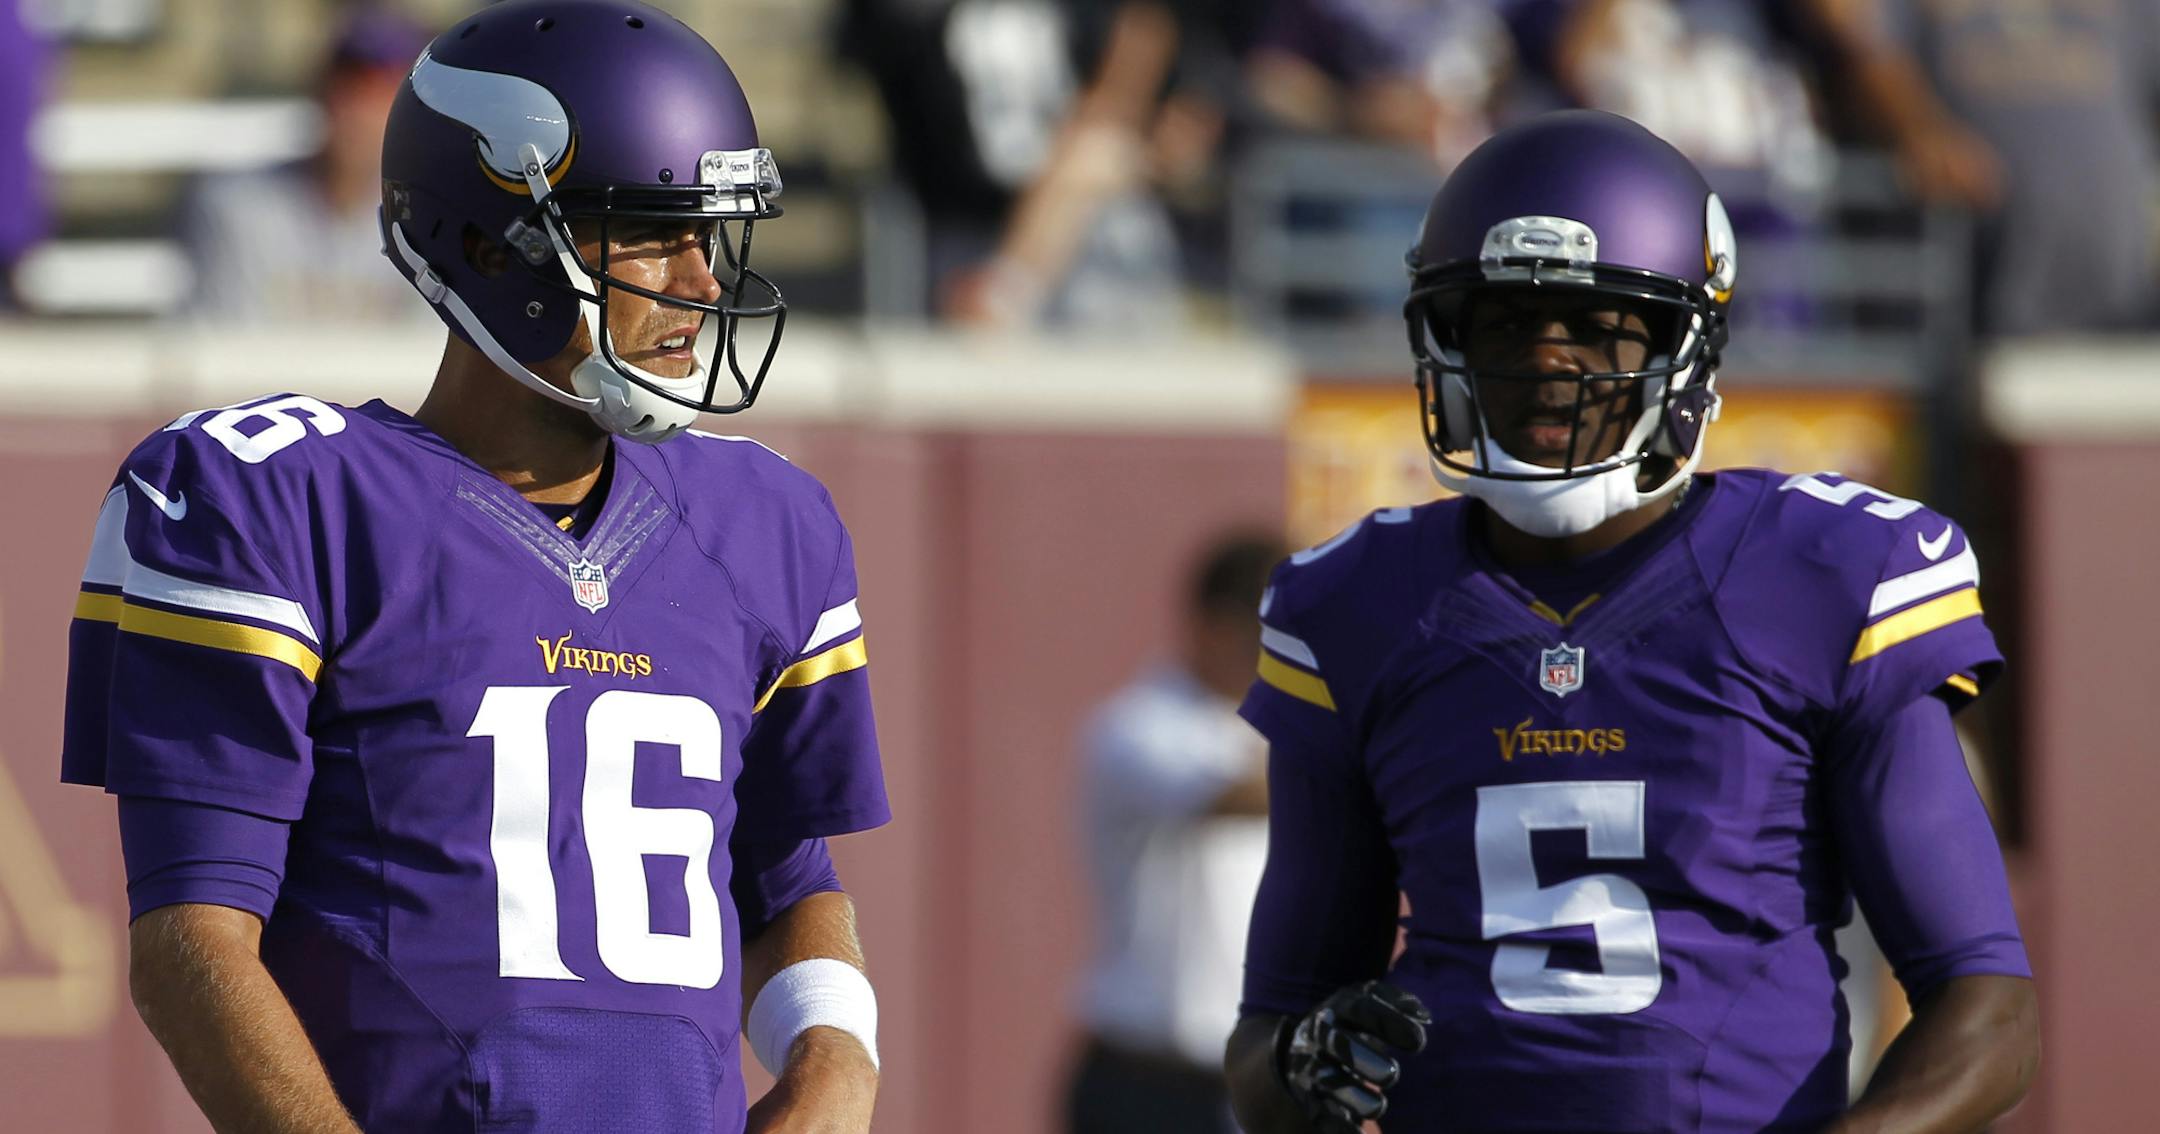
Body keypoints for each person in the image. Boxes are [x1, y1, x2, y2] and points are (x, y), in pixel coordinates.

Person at [59, 4, 888, 1132]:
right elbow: (189, 943)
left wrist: (834, 1065)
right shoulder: (277, 500)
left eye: (708, 231)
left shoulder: (763, 520)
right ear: (495, 247)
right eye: (650, 230)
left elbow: (786, 879)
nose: (700, 280)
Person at [1222, 110, 2039, 1133]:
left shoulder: (1824, 576)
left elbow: (1987, 1008)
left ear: (1686, 345)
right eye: (1505, 322)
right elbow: (1265, 1048)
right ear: (1446, 341)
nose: (1549, 362)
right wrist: (1308, 1066)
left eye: (1597, 323)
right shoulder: (1355, 604)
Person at [1068, 531, 1285, 1134]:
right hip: (1146, 1082)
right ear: (1217, 626)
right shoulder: (1138, 726)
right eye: (1272, 637)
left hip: (1256, 1078)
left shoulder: (1278, 733)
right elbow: (1236, 796)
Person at [178, 7, 438, 323]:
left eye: (382, 94)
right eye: (350, 89)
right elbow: (225, 349)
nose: (359, 112)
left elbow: (428, 353)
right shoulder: (239, 210)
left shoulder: (431, 224)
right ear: (320, 93)